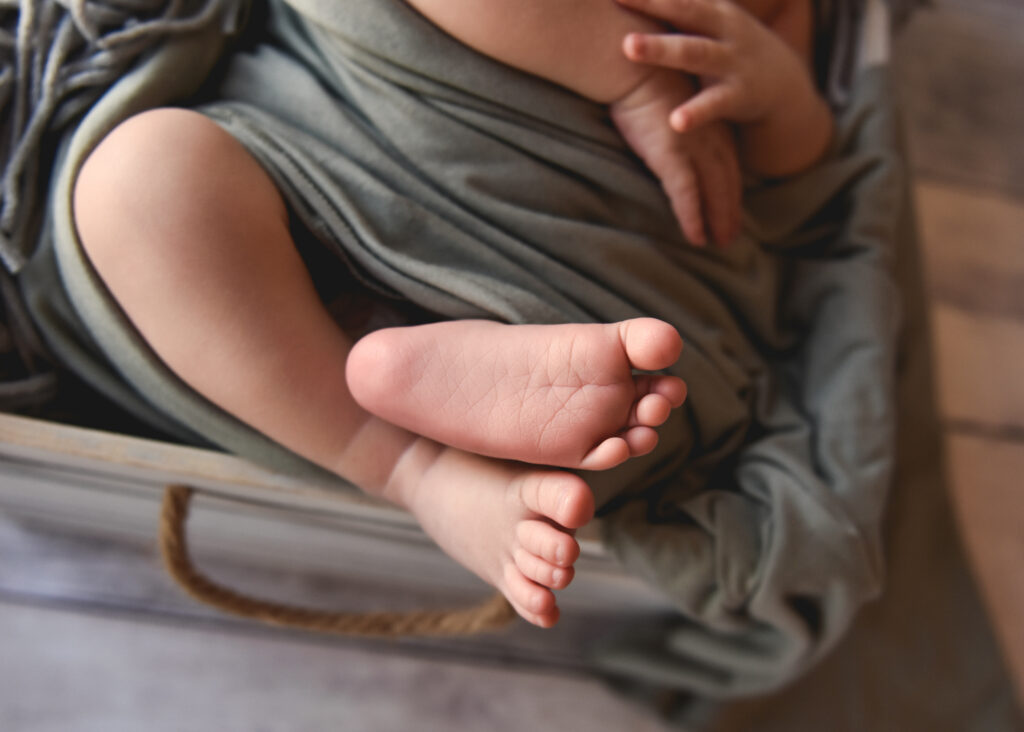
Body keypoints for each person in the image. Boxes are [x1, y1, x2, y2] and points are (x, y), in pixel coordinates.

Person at [72, 0, 833, 628]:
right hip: (343, 127)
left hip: (598, 232)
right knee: (140, 184)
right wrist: (623, 70)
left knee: (138, 185)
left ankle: (422, 449)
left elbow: (795, 164)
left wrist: (776, 91)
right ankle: (409, 456)